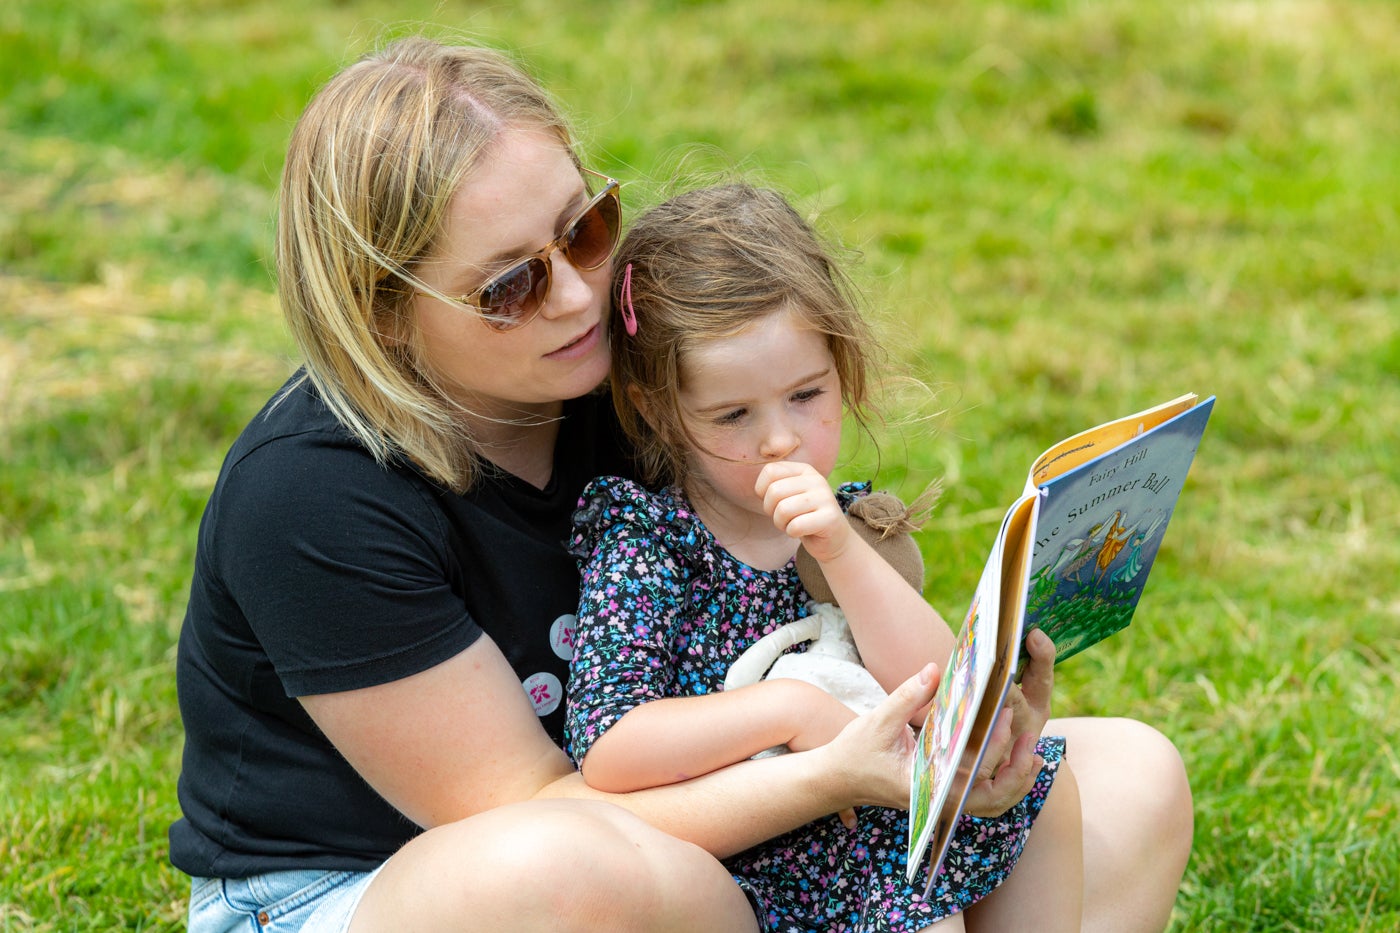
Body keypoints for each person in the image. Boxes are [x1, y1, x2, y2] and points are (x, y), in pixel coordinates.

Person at [168, 34, 1192, 933]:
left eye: (583, 229)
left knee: (1128, 777)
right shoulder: (310, 498)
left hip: (716, 809)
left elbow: (826, 600)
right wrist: (819, 761)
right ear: (384, 312)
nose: (574, 297)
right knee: (574, 877)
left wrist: (955, 735)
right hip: (383, 889)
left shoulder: (630, 378)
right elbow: (543, 811)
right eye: (510, 283)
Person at [563, 182, 1081, 931]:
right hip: (758, 850)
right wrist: (790, 710)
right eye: (734, 415)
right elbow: (610, 746)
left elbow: (940, 691)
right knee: (901, 898)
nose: (781, 439)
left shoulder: (843, 524)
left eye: (806, 394)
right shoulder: (650, 543)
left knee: (1045, 793)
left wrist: (839, 550)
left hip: (874, 810)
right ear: (654, 407)